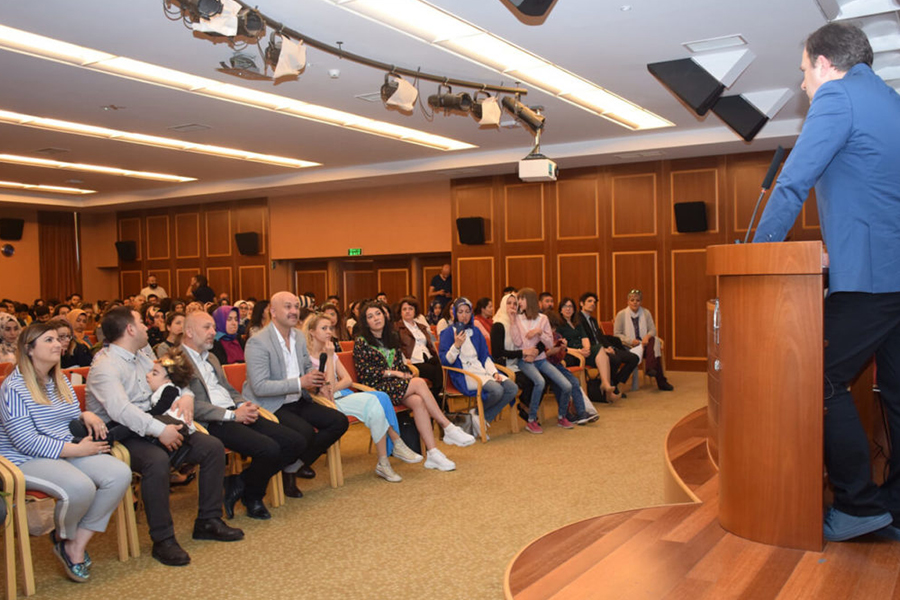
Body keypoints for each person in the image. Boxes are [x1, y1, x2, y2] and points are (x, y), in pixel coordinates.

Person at [752, 22, 900, 542]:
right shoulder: (893, 102)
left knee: (817, 376)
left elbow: (794, 181)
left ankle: (857, 505)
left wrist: (758, 257)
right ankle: (895, 506)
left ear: (824, 63)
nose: (802, 84)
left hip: (871, 279)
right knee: (896, 394)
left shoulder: (838, 97)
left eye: (803, 71)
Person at [85, 306, 243, 567]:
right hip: (123, 433)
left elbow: (176, 378)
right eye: (141, 322)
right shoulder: (105, 366)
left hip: (157, 421)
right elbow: (121, 411)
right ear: (130, 329)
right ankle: (163, 539)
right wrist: (160, 431)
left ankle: (208, 520)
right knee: (156, 461)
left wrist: (187, 396)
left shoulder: (142, 356)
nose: (147, 327)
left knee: (212, 447)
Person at [0, 322, 132, 583]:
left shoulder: (58, 379)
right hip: (26, 458)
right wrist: (78, 449)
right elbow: (25, 441)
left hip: (65, 448)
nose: (58, 344)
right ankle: (64, 535)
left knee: (119, 473)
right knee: (81, 487)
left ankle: (74, 543)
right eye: (49, 340)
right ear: (29, 349)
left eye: (58, 340)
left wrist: (85, 414)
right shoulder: (13, 387)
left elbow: (68, 416)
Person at [181, 311, 305, 518]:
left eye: (213, 327)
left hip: (235, 411)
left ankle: (239, 482)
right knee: (269, 449)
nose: (213, 332)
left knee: (295, 442)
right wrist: (232, 415)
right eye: (207, 327)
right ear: (189, 332)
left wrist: (243, 404)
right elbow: (190, 405)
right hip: (213, 421)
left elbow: (228, 389)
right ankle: (253, 497)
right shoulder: (177, 360)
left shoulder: (211, 357)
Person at [242, 292, 349, 496]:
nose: (294, 311)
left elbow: (306, 367)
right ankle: (278, 474)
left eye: (296, 306)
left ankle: (291, 467)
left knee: (338, 421)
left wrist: (315, 380)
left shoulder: (299, 337)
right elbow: (260, 387)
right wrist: (301, 382)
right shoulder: (258, 342)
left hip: (299, 398)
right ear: (273, 312)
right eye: (288, 306)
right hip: (272, 403)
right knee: (304, 433)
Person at [353, 301, 474, 470]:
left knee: (418, 401)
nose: (376, 318)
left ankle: (433, 453)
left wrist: (405, 373)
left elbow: (399, 364)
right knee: (418, 382)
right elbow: (365, 373)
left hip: (394, 386)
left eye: (378, 314)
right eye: (370, 316)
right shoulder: (361, 342)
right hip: (376, 388)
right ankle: (447, 426)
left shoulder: (392, 337)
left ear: (384, 316)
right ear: (366, 322)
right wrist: (394, 373)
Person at [304, 313, 422, 482]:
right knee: (375, 402)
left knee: (375, 402)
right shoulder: (307, 357)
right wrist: (329, 360)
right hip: (324, 403)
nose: (329, 331)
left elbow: (346, 380)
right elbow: (326, 389)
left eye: (330, 328)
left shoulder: (331, 353)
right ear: (312, 332)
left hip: (339, 395)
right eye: (324, 328)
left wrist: (332, 387)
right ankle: (396, 443)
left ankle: (384, 462)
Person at [439, 298, 518, 439]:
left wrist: (494, 373)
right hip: (464, 374)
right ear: (454, 313)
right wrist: (456, 346)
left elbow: (485, 356)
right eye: (460, 312)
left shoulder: (475, 331)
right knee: (497, 390)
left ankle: (479, 416)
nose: (464, 315)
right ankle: (479, 418)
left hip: (482, 370)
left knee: (512, 388)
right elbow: (445, 361)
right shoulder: (447, 333)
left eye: (467, 311)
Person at [509, 288, 573, 433]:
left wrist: (539, 332)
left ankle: (562, 416)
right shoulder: (518, 318)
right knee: (540, 382)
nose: (519, 302)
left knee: (567, 385)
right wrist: (512, 322)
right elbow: (518, 342)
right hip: (525, 360)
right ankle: (531, 420)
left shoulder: (542, 319)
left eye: (522, 299)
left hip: (541, 359)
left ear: (530, 300)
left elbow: (549, 343)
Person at [558, 297, 621, 402]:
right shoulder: (559, 325)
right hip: (572, 354)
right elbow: (560, 346)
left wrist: (587, 349)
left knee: (600, 349)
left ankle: (605, 384)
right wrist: (579, 351)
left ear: (574, 309)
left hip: (583, 351)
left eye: (570, 306)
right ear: (560, 310)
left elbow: (585, 338)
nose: (568, 309)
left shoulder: (576, 323)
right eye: (565, 306)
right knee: (602, 353)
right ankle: (607, 389)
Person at [613, 290, 674, 391]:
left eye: (637, 300)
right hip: (628, 346)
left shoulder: (646, 313)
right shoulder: (621, 314)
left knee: (652, 340)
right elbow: (617, 334)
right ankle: (660, 379)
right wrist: (630, 341)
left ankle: (651, 368)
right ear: (628, 302)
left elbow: (653, 330)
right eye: (632, 300)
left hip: (644, 344)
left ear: (641, 302)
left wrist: (647, 337)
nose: (635, 302)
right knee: (654, 352)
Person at [579, 292, 639, 394]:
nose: (592, 304)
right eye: (589, 301)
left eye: (594, 302)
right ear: (581, 303)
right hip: (593, 351)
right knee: (615, 359)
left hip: (603, 347)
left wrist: (610, 347)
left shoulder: (593, 320)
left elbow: (600, 337)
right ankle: (611, 386)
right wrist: (603, 349)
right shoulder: (578, 319)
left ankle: (614, 382)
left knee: (634, 358)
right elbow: (583, 340)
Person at [491, 292, 535, 420]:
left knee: (541, 377)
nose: (512, 306)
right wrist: (522, 353)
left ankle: (524, 405)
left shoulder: (518, 323)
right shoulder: (498, 325)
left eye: (515, 304)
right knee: (530, 380)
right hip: (503, 366)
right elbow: (497, 353)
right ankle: (525, 407)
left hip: (517, 362)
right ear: (503, 305)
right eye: (509, 303)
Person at [395, 297, 443, 396]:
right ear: (400, 312)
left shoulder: (421, 327)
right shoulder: (396, 328)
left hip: (428, 358)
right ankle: (437, 395)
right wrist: (403, 360)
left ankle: (437, 394)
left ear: (415, 311)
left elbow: (431, 343)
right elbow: (395, 347)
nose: (407, 311)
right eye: (404, 309)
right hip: (413, 361)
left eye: (410, 309)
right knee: (434, 371)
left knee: (443, 361)